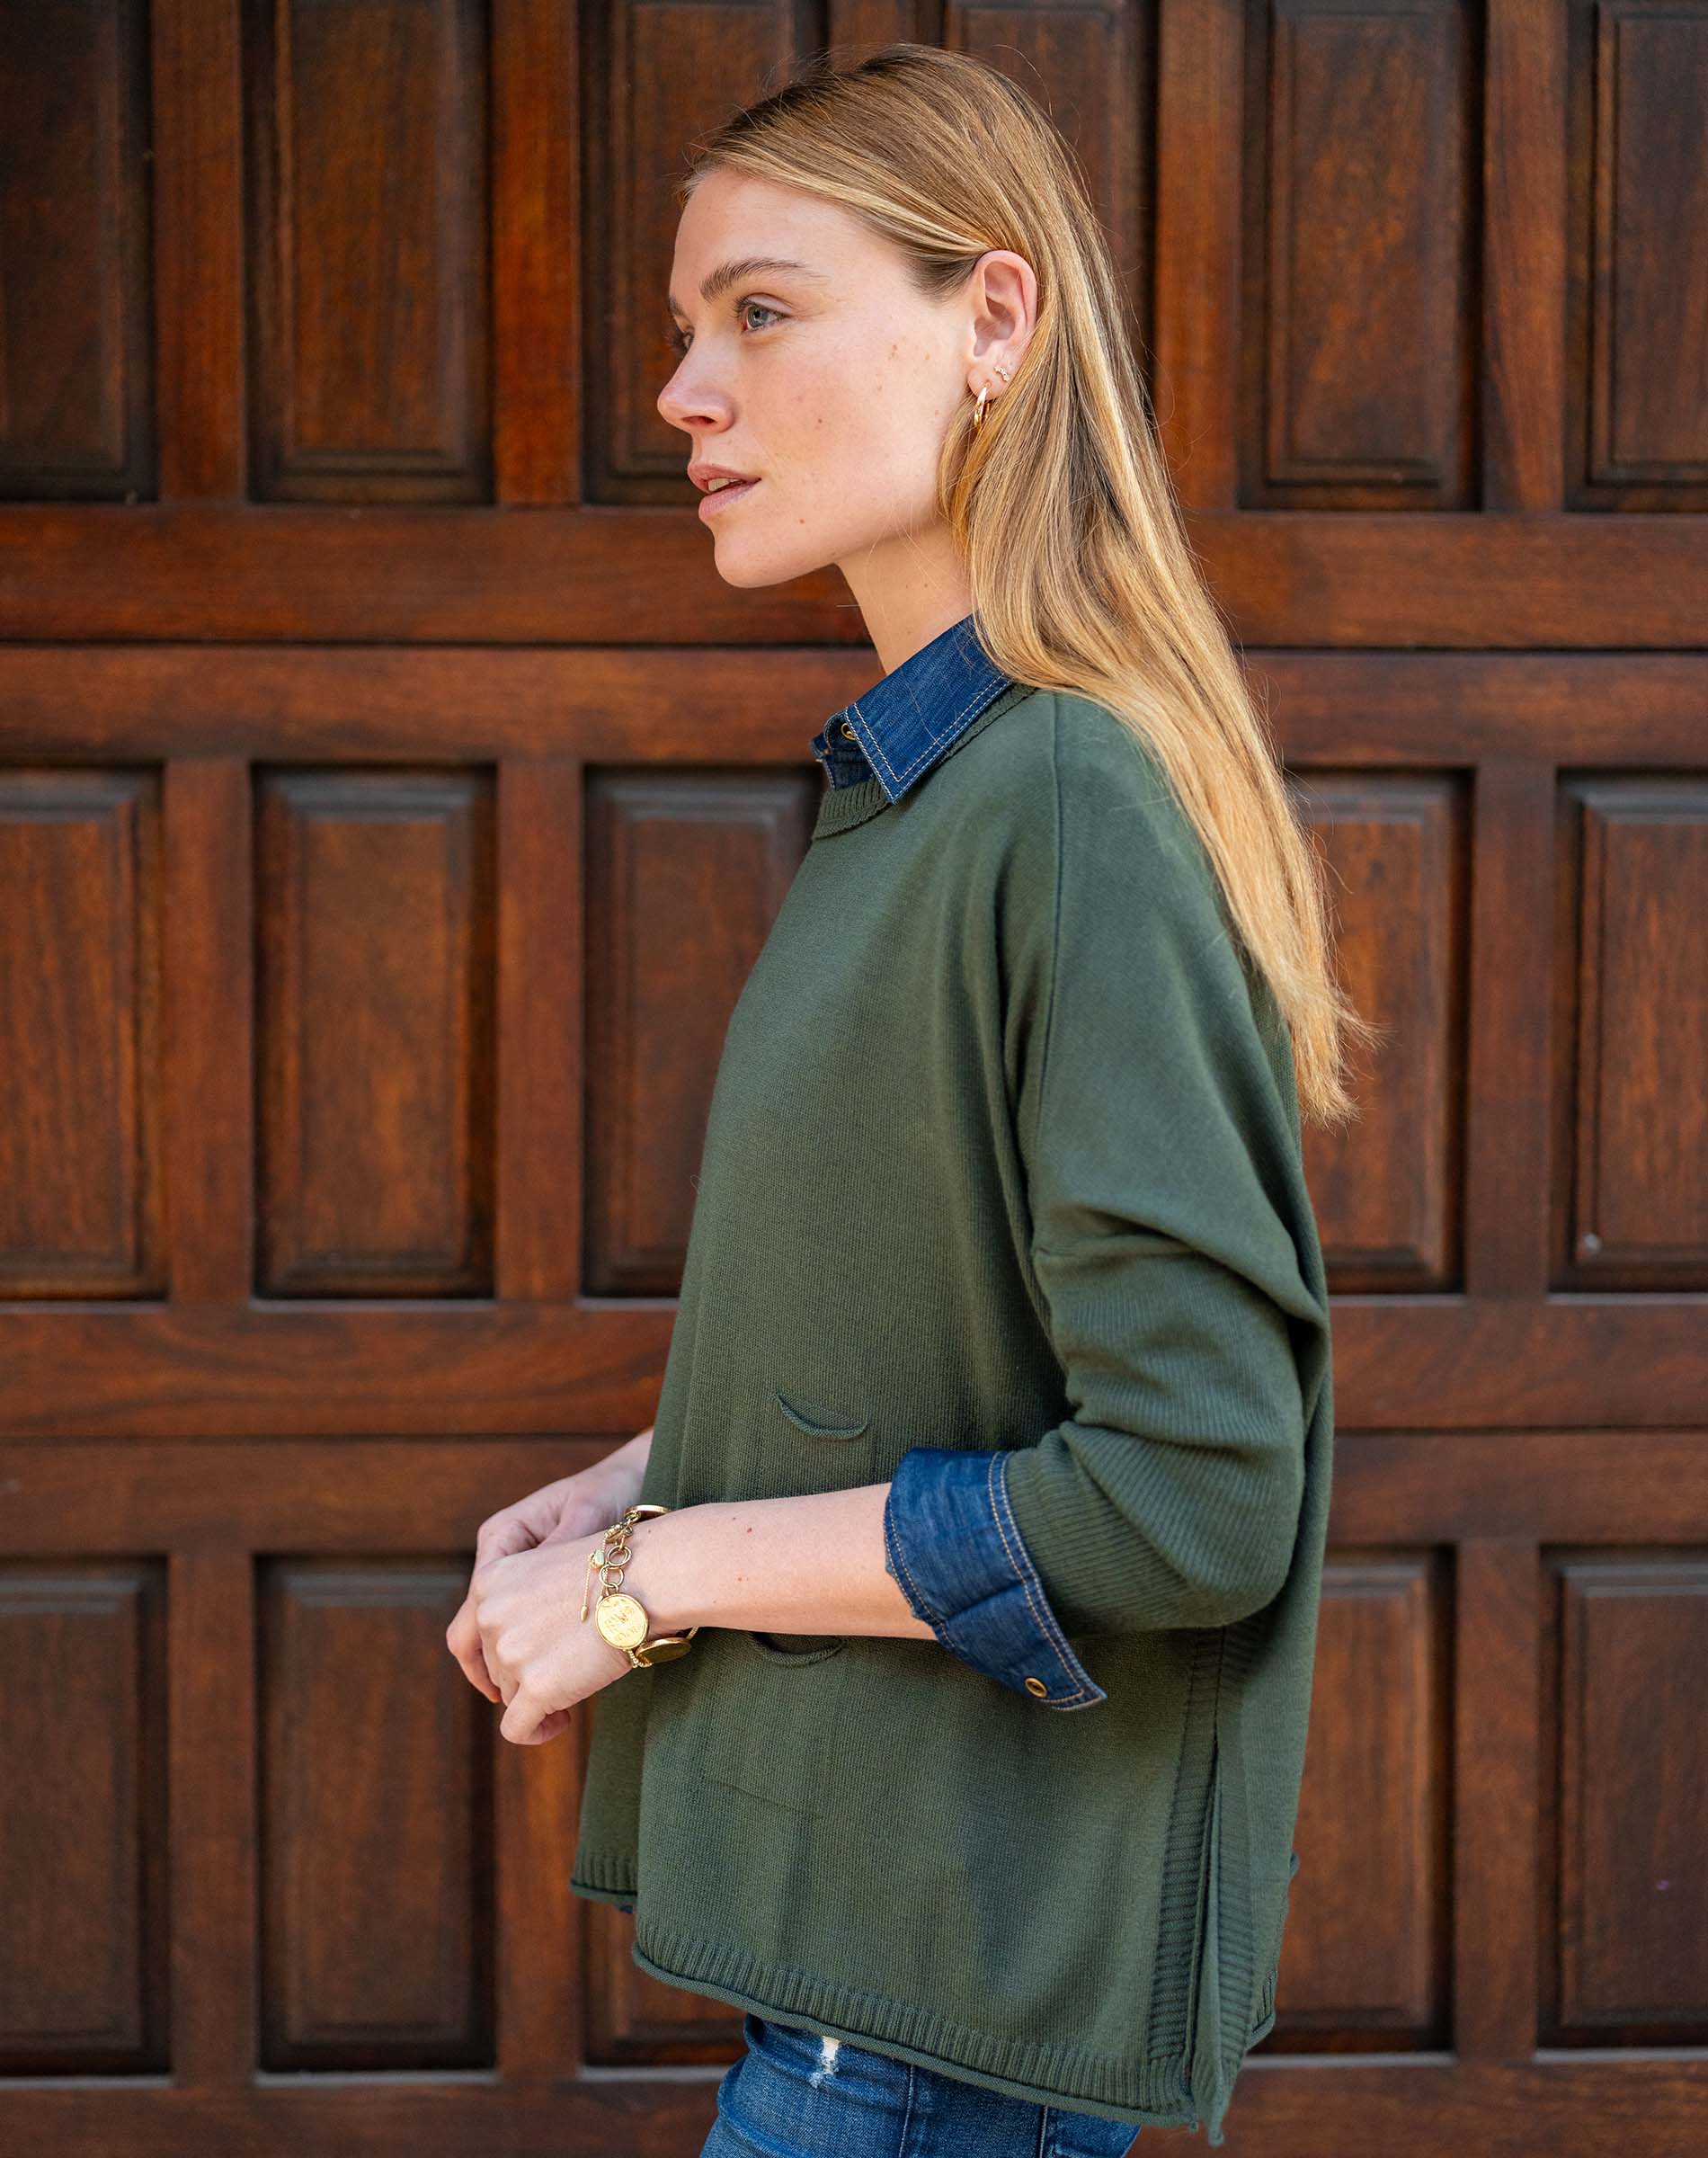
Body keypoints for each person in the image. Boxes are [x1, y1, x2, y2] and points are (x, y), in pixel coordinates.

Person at [446, 40, 1378, 2155]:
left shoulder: (1057, 798)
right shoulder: (928, 793)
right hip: (872, 2037)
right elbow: (954, 1327)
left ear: (991, 318)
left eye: (757, 311)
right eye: (686, 332)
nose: (685, 392)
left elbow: (1188, 1490)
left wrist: (645, 1585)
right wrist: (644, 1475)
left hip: (928, 2076)